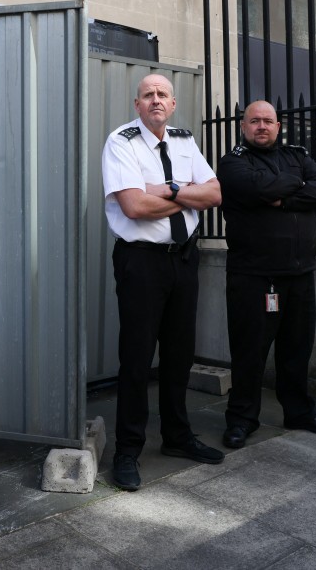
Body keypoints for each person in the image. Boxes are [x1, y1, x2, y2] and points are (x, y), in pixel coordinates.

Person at [101, 74, 224, 491]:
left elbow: (214, 195)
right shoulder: (122, 141)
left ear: (173, 104)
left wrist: (167, 189)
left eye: (163, 95)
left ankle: (176, 437)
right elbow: (134, 206)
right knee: (137, 359)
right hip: (142, 262)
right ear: (137, 104)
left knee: (179, 354)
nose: (156, 100)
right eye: (148, 95)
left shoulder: (185, 141)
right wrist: (186, 190)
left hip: (184, 259)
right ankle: (127, 450)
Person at [217, 100, 316, 449]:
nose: (261, 127)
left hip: (300, 274)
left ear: (278, 126)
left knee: (297, 348)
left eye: (268, 121)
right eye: (254, 121)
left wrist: (282, 197)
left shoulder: (298, 156)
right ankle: (242, 419)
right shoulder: (233, 163)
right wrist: (290, 187)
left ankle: (299, 411)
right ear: (243, 126)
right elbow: (259, 189)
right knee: (250, 352)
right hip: (253, 276)